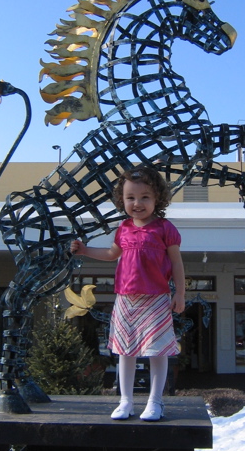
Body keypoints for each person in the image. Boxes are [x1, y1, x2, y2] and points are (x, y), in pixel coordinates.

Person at [70, 166, 185, 421]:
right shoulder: (123, 228)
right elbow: (112, 254)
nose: (137, 203)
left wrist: (180, 293)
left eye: (145, 197)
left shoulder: (165, 228)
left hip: (156, 298)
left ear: (158, 199)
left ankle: (155, 401)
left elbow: (177, 263)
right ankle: (126, 401)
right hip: (125, 298)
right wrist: (84, 250)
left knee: (157, 351)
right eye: (130, 197)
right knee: (125, 350)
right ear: (122, 200)